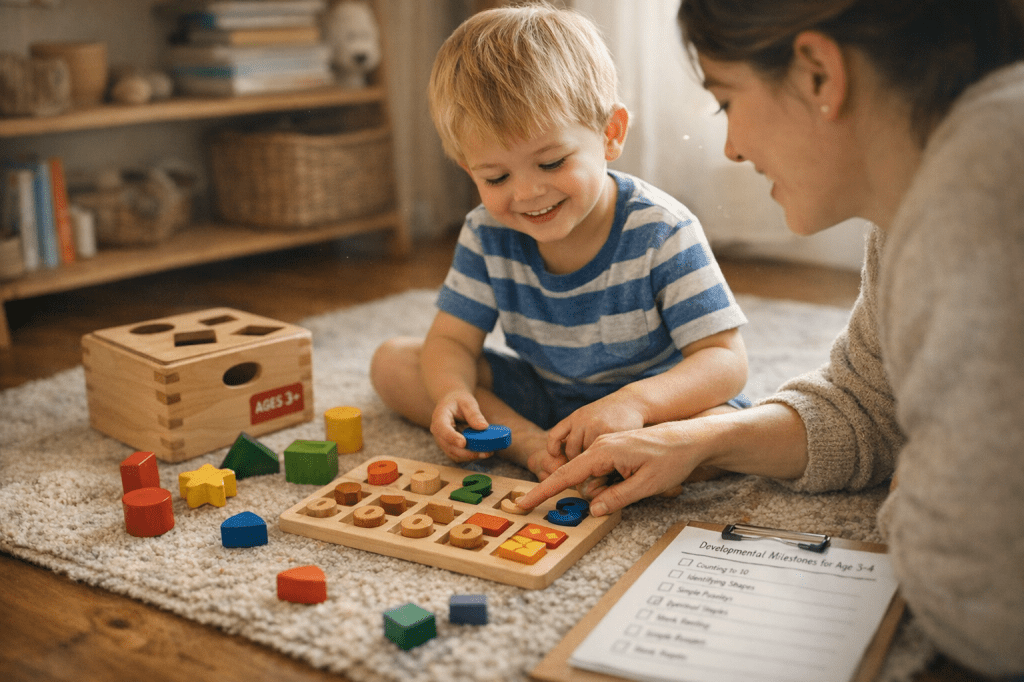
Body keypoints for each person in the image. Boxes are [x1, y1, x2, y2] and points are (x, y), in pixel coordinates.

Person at [516, 0, 1024, 676]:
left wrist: (907, 489)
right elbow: (869, 406)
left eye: (726, 100)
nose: (731, 147)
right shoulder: (910, 204)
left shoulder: (984, 186)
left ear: (818, 74)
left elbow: (981, 599)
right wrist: (703, 440)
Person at [370, 5, 750, 482]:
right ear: (470, 171)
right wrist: (452, 392)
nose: (527, 193)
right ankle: (533, 447)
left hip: (655, 408)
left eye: (551, 163)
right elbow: (450, 339)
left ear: (610, 135)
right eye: (497, 176)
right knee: (396, 362)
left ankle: (634, 457)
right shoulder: (486, 232)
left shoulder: (662, 230)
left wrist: (632, 405)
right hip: (547, 399)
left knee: (722, 430)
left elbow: (725, 361)